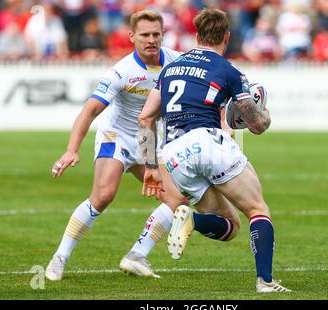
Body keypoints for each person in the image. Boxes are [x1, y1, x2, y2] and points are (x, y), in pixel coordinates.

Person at [45, 10, 241, 281]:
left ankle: (137, 255)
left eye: (156, 34)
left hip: (150, 139)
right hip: (118, 136)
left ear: (163, 35)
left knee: (177, 201)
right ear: (132, 37)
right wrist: (71, 149)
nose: (151, 40)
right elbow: (89, 112)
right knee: (103, 196)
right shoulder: (122, 71)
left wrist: (223, 122)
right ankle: (59, 258)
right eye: (145, 35)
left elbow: (208, 90)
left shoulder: (176, 61)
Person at [138, 8, 291, 293]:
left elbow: (145, 118)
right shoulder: (229, 71)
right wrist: (265, 115)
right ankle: (265, 282)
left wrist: (149, 166)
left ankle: (192, 219)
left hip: (173, 155)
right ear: (227, 38)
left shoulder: (170, 69)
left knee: (229, 226)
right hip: (207, 141)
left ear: (196, 35)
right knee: (257, 210)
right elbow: (256, 125)